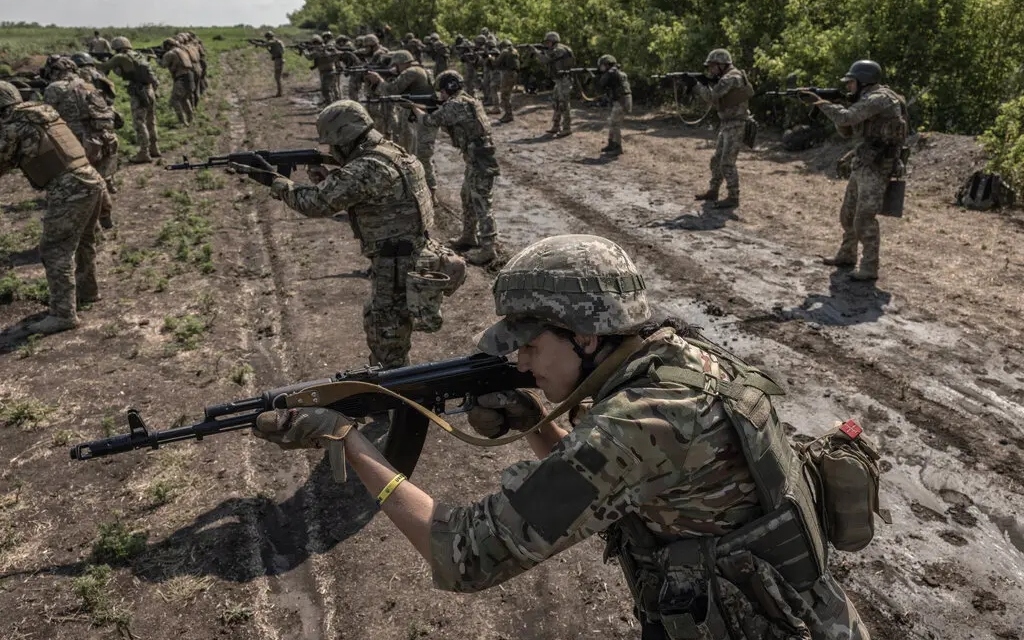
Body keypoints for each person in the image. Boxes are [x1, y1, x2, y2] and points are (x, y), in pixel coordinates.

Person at [252, 233, 871, 640]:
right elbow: (612, 491)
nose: (520, 363)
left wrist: (350, 443)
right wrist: (533, 421)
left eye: (530, 344)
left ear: (587, 334)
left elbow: (463, 555)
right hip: (791, 613)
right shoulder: (680, 358)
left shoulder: (639, 424)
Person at [232, 100, 456, 369]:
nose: (330, 150)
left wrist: (277, 182)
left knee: (387, 340)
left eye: (332, 144)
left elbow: (315, 203)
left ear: (344, 138)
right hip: (409, 257)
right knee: (386, 333)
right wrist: (328, 179)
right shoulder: (392, 152)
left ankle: (397, 400)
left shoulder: (367, 167)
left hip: (396, 266)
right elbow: (371, 196)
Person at [0, 81, 105, 335]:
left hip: (69, 188)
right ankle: (88, 290)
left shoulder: (14, 126)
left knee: (54, 249)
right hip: (90, 179)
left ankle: (63, 314)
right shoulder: (40, 114)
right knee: (83, 241)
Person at [805, 60, 908, 281]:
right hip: (863, 162)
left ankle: (870, 266)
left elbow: (847, 117)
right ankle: (847, 254)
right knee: (848, 214)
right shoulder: (866, 98)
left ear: (863, 81)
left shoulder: (880, 98)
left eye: (851, 82)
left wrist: (821, 103)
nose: (848, 87)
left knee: (864, 219)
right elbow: (847, 131)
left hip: (878, 165)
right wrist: (835, 104)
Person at [412, 70, 500, 265]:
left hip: (480, 160)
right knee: (467, 197)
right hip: (476, 158)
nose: (440, 95)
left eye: (441, 91)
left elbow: (429, 121)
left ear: (449, 88)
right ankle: (469, 236)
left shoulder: (456, 105)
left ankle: (489, 248)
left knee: (482, 203)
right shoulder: (467, 100)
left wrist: (413, 108)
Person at [42, 57, 117, 229]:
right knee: (97, 179)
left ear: (55, 72)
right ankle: (105, 214)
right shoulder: (88, 85)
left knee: (81, 184)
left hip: (77, 142)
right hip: (101, 138)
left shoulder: (54, 88)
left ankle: (92, 225)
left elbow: (47, 116)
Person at [365, 49, 438, 194]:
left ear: (402, 63)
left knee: (416, 154)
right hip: (423, 116)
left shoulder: (410, 72)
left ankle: (427, 190)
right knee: (420, 154)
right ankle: (425, 188)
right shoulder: (420, 70)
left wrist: (378, 80)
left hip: (418, 118)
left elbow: (392, 90)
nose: (395, 68)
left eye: (397, 65)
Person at [692, 48, 754, 209]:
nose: (710, 70)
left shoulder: (731, 77)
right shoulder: (727, 76)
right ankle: (713, 190)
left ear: (721, 65)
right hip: (727, 123)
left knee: (727, 162)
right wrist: (705, 82)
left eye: (712, 66)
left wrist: (696, 86)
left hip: (736, 124)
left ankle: (733, 197)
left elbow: (712, 97)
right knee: (716, 159)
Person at [98, 36, 160, 163]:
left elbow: (103, 67)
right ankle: (154, 148)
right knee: (151, 120)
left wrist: (89, 60)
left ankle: (144, 153)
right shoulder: (138, 55)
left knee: (139, 123)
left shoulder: (120, 57)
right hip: (149, 89)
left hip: (138, 92)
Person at [530, 32, 575, 137]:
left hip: (565, 80)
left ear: (554, 41)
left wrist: (536, 52)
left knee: (564, 104)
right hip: (559, 80)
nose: (547, 44)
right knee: (556, 103)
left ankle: (567, 128)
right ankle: (556, 126)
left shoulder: (560, 49)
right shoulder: (554, 50)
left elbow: (546, 60)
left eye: (548, 42)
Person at [595, 54, 631, 156]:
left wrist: (597, 76)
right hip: (622, 100)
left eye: (601, 65)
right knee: (612, 122)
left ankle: (617, 147)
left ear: (607, 65)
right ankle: (611, 144)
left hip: (621, 101)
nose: (600, 67)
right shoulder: (616, 72)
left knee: (615, 124)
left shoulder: (611, 72)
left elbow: (601, 84)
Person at [158, 38, 195, 126]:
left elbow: (163, 65)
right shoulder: (181, 51)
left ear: (167, 46)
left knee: (174, 100)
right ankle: (190, 118)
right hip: (189, 76)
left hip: (181, 78)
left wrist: (157, 59)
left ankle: (182, 121)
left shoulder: (170, 53)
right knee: (184, 99)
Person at [494, 40, 519, 123]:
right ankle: (508, 114)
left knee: (504, 95)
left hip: (507, 74)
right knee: (508, 94)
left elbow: (497, 63)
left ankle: (508, 115)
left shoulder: (504, 52)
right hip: (513, 74)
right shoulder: (515, 51)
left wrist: (491, 58)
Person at [259, 31, 286, 97]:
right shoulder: (277, 41)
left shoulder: (272, 42)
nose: (266, 39)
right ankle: (280, 92)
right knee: (278, 77)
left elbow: (263, 45)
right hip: (279, 59)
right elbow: (272, 50)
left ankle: (280, 92)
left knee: (277, 77)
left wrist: (254, 43)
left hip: (278, 60)